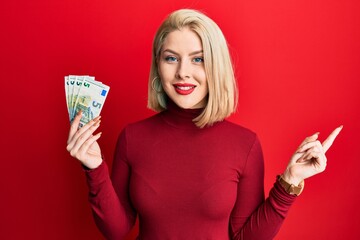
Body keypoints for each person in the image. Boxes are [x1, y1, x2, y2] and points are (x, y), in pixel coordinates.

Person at [66, 9, 342, 240]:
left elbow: (244, 237)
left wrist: (290, 182)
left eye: (198, 59)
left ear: (216, 66)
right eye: (171, 58)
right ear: (158, 65)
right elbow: (117, 230)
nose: (183, 72)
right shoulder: (132, 138)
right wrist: (94, 167)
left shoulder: (244, 144)